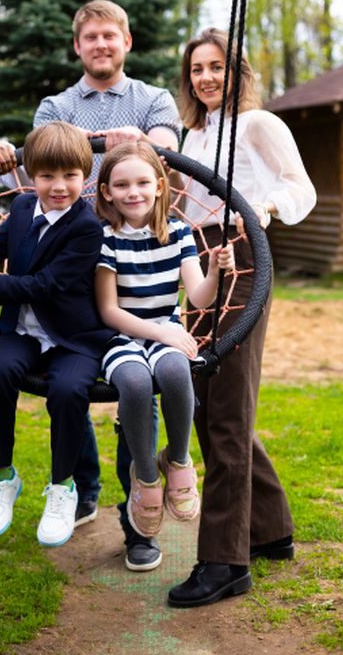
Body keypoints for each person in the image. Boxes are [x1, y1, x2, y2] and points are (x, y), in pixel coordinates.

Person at [0, 0, 181, 571]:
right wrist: (8, 153)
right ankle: (81, 487)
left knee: (136, 387)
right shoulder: (57, 105)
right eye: (90, 37)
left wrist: (137, 140)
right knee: (68, 378)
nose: (101, 45)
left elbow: (164, 149)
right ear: (78, 46)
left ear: (126, 41)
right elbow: (42, 153)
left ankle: (137, 519)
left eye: (109, 36)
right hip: (69, 254)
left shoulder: (153, 99)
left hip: (129, 253)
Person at [167, 29, 317, 607]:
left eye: (216, 67)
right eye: (197, 69)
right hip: (200, 263)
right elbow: (185, 205)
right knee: (206, 399)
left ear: (237, 72)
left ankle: (225, 560)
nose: (206, 77)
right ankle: (270, 528)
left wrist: (262, 206)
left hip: (244, 256)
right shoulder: (195, 134)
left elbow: (299, 187)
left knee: (228, 407)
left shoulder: (257, 124)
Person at [0, 121, 114, 548]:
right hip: (22, 330)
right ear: (31, 176)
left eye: (70, 176)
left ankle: (63, 486)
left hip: (72, 337)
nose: (58, 186)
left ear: (85, 176)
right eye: (46, 176)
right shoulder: (22, 208)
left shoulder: (86, 227)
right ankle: (3, 476)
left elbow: (45, 285)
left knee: (69, 390)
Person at [94, 142, 234, 551]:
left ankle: (178, 460)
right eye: (122, 185)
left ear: (159, 186)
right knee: (136, 384)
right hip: (122, 336)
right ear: (106, 192)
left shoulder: (179, 233)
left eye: (142, 183)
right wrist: (161, 333)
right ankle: (145, 475)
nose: (133, 192)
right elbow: (108, 311)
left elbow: (200, 297)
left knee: (175, 372)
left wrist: (213, 270)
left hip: (166, 333)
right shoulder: (106, 239)